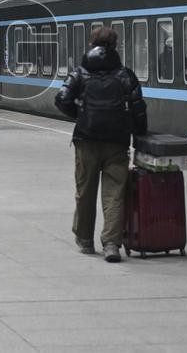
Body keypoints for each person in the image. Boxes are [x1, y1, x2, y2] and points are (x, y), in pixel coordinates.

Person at [55, 26, 147, 263]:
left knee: (85, 191)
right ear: (115, 47)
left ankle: (85, 239)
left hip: (86, 140)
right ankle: (111, 245)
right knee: (114, 193)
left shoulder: (80, 73)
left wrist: (80, 114)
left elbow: (61, 99)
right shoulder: (125, 75)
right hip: (117, 142)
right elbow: (138, 107)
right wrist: (140, 133)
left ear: (91, 45)